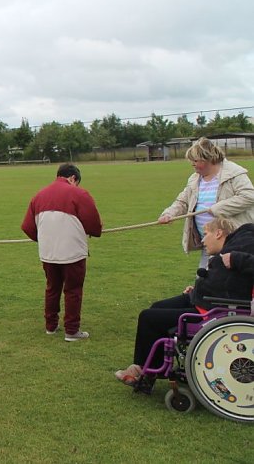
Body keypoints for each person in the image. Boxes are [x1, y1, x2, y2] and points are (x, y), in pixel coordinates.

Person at [114, 218, 254, 386]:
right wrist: (197, 290)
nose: (202, 240)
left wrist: (237, 260)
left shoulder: (242, 245)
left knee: (148, 317)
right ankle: (148, 368)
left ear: (218, 233)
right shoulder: (237, 245)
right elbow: (226, 283)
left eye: (206, 234)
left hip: (213, 311)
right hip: (206, 301)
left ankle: (143, 369)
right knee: (157, 307)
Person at [21, 163, 103, 342]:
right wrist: (95, 232)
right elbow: (94, 223)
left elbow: (27, 226)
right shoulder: (79, 194)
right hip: (72, 252)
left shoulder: (38, 195)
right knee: (73, 290)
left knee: (52, 287)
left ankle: (51, 326)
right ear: (73, 178)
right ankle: (72, 331)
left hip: (48, 253)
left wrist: (44, 240)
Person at [158, 137, 254, 268]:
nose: (192, 164)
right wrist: (169, 213)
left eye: (196, 161)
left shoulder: (234, 174)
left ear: (208, 158)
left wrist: (218, 208)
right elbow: (182, 201)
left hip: (234, 242)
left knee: (227, 283)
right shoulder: (194, 179)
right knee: (204, 282)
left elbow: (249, 196)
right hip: (209, 242)